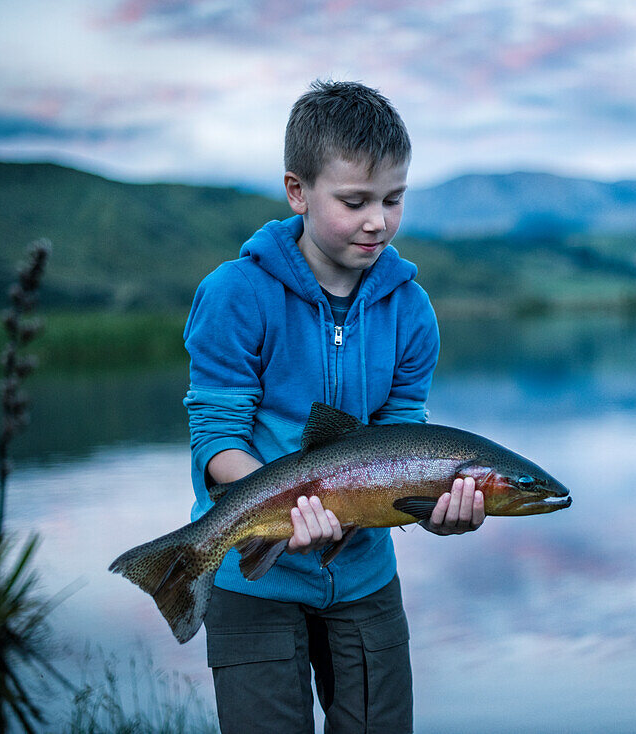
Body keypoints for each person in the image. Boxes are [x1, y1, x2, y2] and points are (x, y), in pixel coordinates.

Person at [182, 80, 483, 733]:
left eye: (393, 199)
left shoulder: (412, 312)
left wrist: (434, 510)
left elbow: (406, 441)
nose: (378, 220)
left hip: (366, 579)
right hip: (249, 578)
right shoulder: (235, 294)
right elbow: (217, 440)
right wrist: (289, 509)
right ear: (298, 191)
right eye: (355, 201)